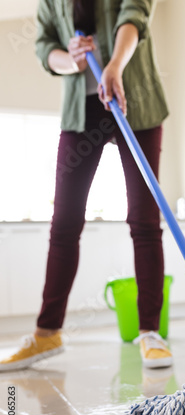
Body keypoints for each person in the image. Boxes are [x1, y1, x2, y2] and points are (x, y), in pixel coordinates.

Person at [0, 0, 173, 372]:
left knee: (144, 221)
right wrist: (72, 61)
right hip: (81, 106)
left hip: (134, 97)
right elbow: (44, 47)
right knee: (64, 222)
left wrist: (114, 66)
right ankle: (47, 333)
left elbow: (134, 15)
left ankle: (150, 333)